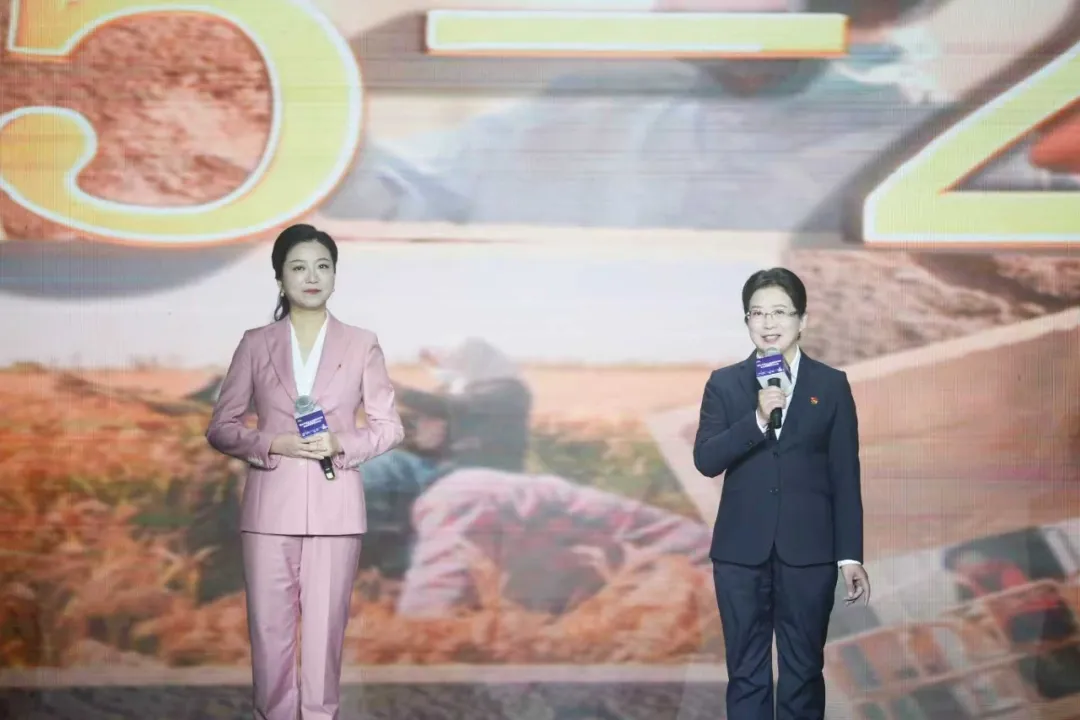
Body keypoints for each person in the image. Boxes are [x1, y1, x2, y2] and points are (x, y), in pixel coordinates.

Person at [205, 223, 404, 720]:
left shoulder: (362, 343)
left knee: (325, 636)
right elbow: (222, 427)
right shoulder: (256, 343)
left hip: (337, 509)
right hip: (269, 508)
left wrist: (341, 443)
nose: (311, 276)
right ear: (280, 278)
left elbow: (389, 427)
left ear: (335, 275)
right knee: (269, 634)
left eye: (322, 266)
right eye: (298, 267)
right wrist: (273, 442)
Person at [692, 267, 870, 720]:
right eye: (758, 313)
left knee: (804, 671)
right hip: (740, 554)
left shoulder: (830, 385)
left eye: (779, 312)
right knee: (746, 673)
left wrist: (850, 555)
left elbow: (844, 474)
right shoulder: (725, 384)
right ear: (746, 321)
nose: (768, 323)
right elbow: (706, 459)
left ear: (802, 319)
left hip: (809, 553)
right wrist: (756, 420)